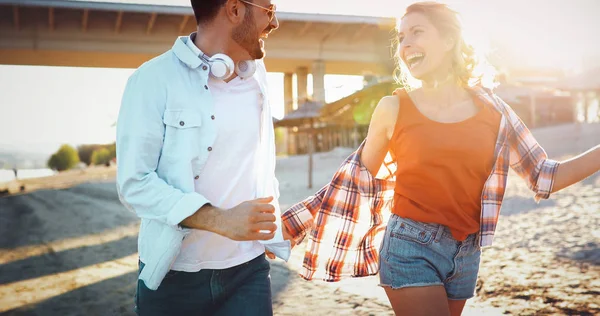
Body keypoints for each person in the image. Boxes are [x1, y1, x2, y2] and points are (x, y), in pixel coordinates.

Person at [281, 2, 600, 315]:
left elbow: (545, 177)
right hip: (409, 247)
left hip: (466, 253)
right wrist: (290, 226)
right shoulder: (394, 108)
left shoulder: (496, 111)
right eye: (401, 37)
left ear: (449, 40)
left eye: (416, 32)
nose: (406, 45)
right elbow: (351, 182)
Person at [116, 1, 290, 315]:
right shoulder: (152, 80)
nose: (275, 22)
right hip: (173, 277)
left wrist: (271, 225)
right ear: (235, 9)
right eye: (269, 8)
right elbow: (134, 183)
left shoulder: (259, 78)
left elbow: (257, 166)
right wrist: (221, 221)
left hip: (248, 270)